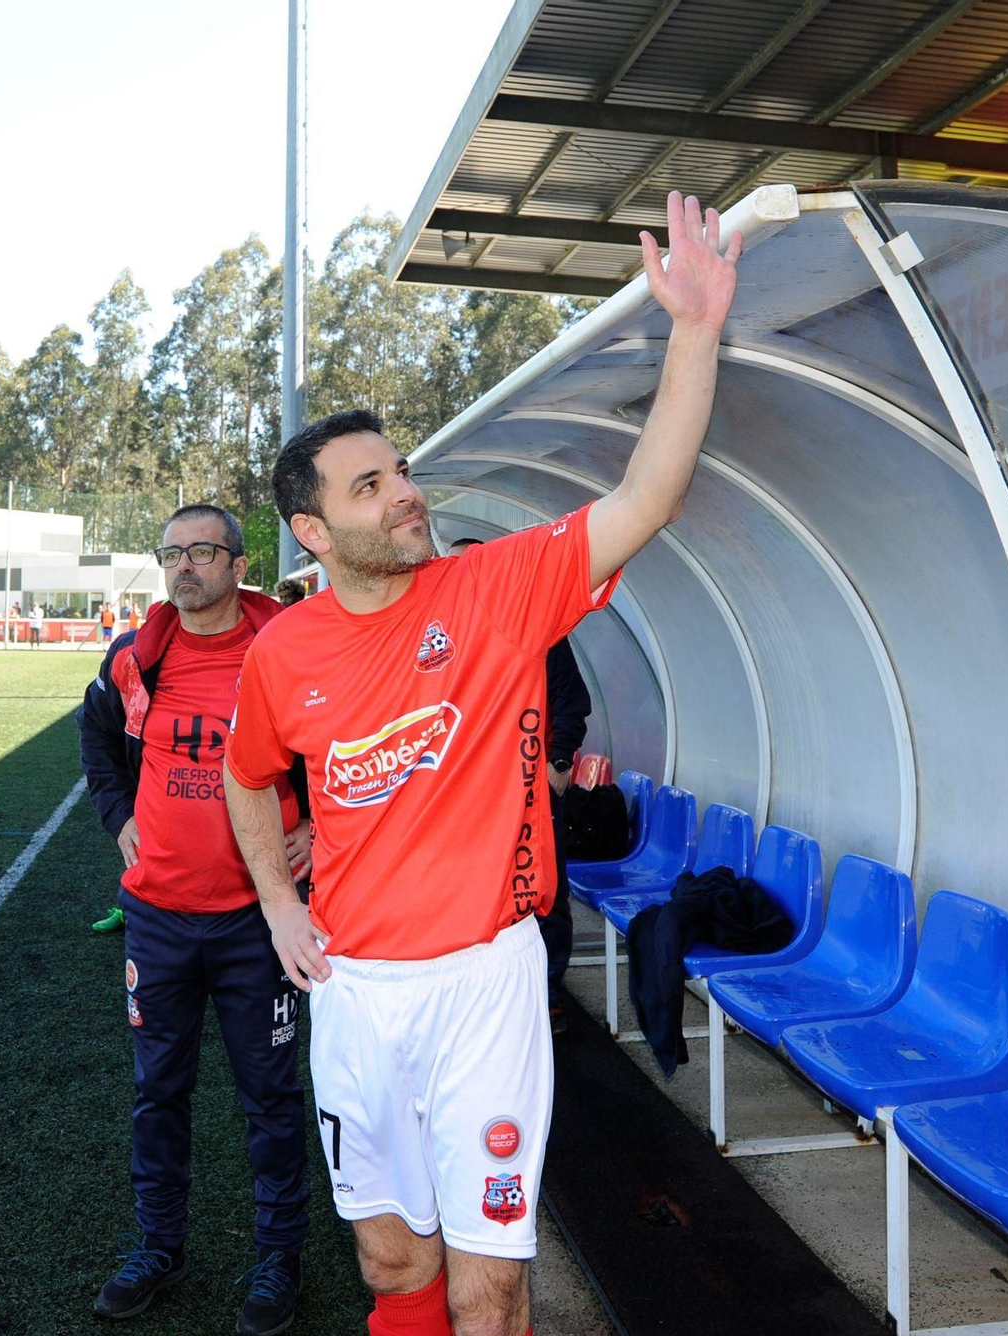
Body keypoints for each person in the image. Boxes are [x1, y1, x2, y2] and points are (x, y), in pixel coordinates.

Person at [222, 190, 739, 1336]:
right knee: (390, 1261)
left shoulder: (497, 588)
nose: (404, 491)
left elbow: (647, 495)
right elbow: (245, 774)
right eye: (370, 487)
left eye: (398, 470)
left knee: (489, 1281)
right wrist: (274, 902)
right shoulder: (283, 652)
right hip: (355, 990)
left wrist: (693, 327)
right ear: (312, 533)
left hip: (486, 985)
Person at [78, 503, 315, 1333]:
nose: (184, 567)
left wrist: (317, 827)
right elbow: (97, 741)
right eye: (171, 552)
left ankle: (279, 1257)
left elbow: (334, 746)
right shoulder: (137, 659)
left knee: (272, 1099)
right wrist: (119, 820)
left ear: (238, 563)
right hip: (159, 919)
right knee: (158, 1093)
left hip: (259, 922)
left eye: (203, 551)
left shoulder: (286, 647)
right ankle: (159, 1245)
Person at [446, 535, 594, 1033]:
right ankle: (483, 993)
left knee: (545, 890)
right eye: (463, 567)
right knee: (476, 889)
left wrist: (557, 762)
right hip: (468, 796)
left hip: (530, 789)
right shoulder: (443, 636)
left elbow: (574, 701)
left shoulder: (542, 628)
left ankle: (549, 995)